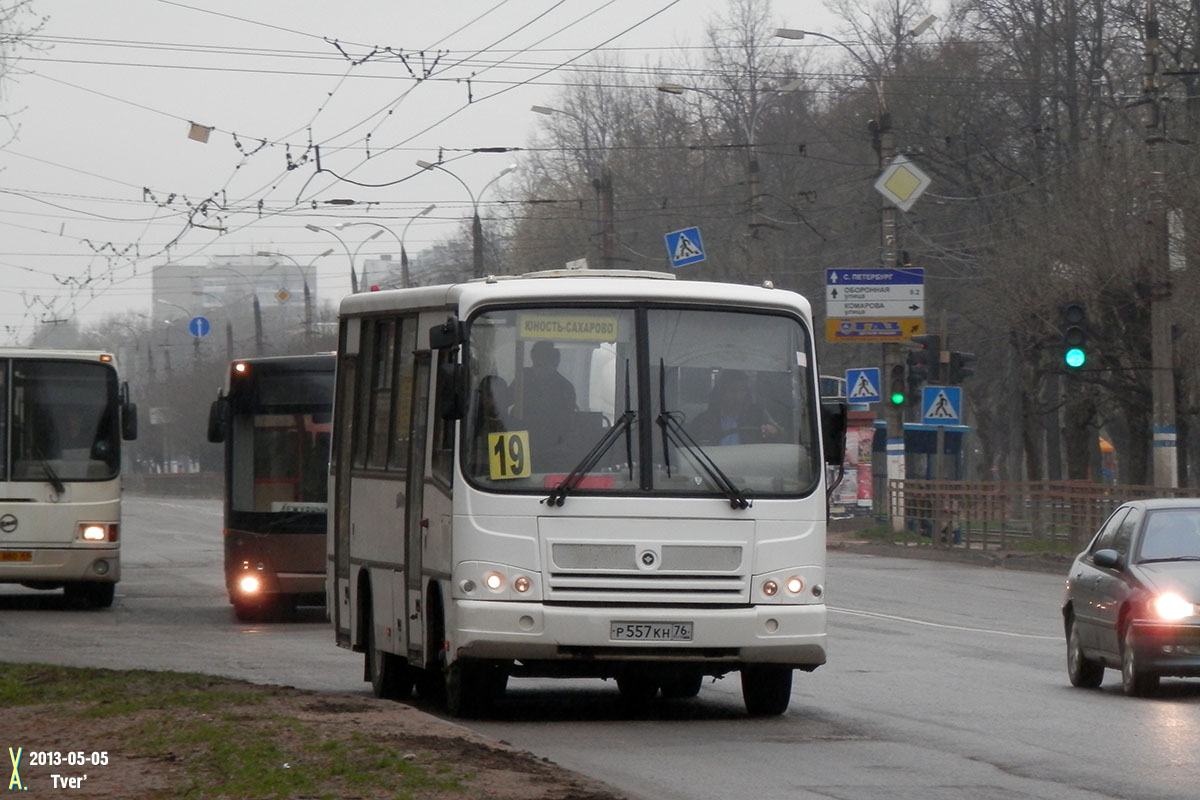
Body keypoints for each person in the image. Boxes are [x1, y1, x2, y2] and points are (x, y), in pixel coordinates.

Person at [515, 341, 577, 469]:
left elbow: (567, 423)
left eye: (541, 364)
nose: (536, 368)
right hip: (521, 443)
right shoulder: (524, 378)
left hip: (552, 448)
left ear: (554, 364)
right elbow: (505, 401)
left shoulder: (565, 388)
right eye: (535, 363)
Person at [689, 369, 779, 446]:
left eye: (742, 390)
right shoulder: (703, 421)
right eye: (732, 390)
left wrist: (773, 433)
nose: (737, 396)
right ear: (721, 392)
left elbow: (783, 438)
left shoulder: (758, 416)